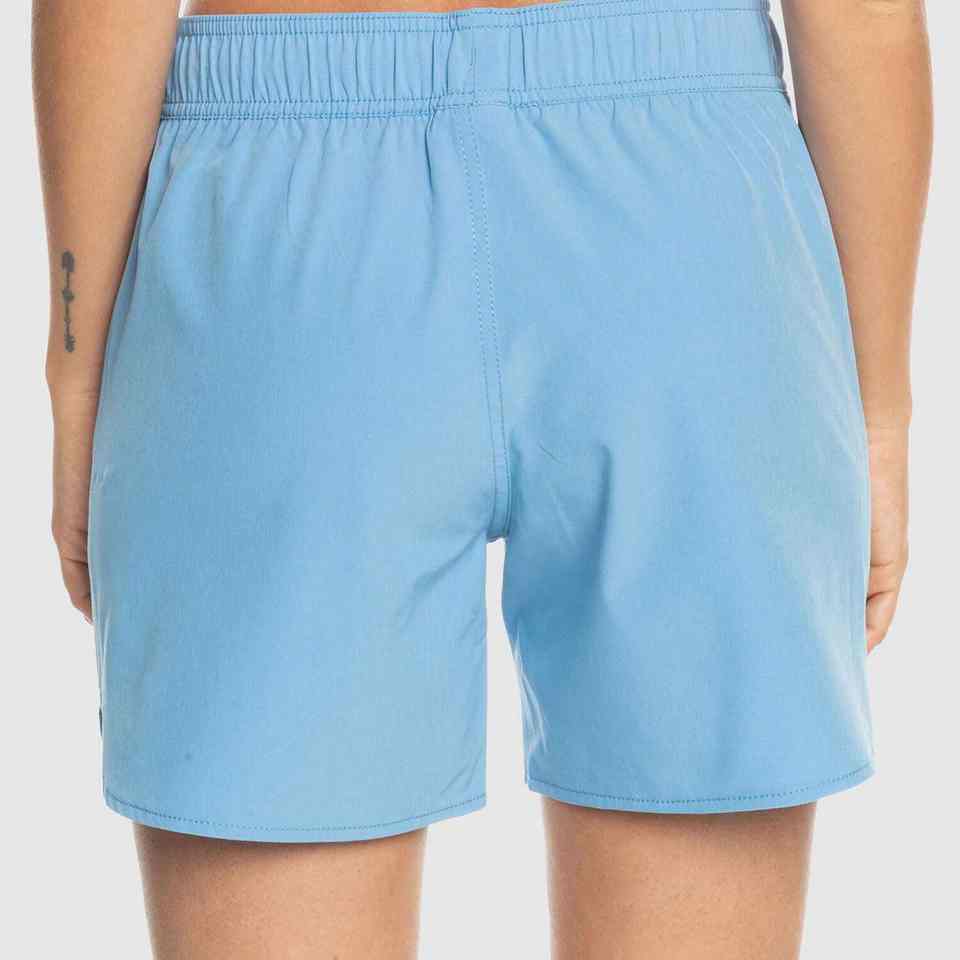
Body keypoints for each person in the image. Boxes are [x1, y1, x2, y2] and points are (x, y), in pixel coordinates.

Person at [33, 0, 931, 956]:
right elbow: (862, 18)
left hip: (285, 231)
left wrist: (81, 380)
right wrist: (877, 409)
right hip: (688, 227)